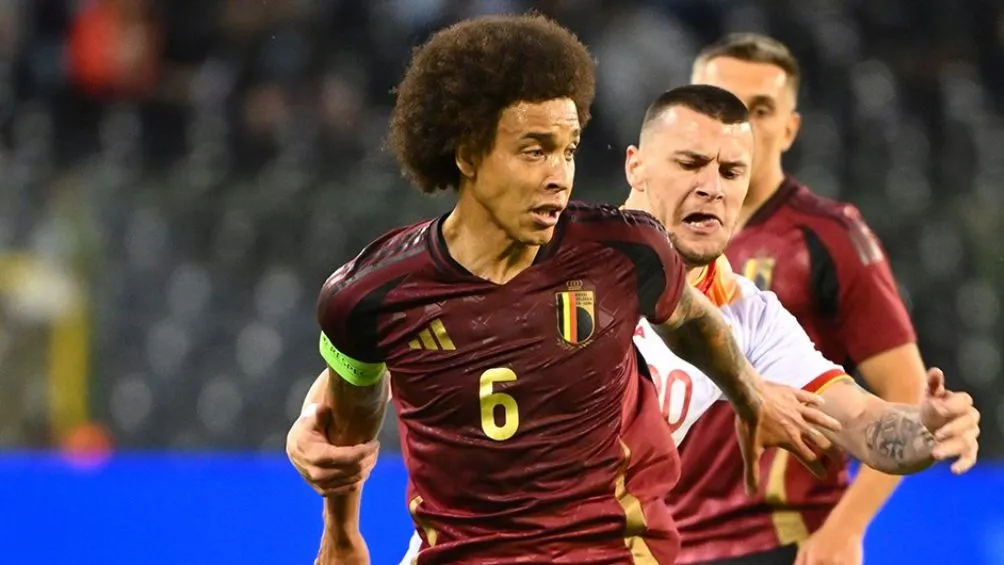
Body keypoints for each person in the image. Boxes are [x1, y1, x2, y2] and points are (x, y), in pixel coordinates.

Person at [291, 85, 981, 565]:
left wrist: (927, 430)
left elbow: (862, 424)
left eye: (732, 171)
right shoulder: (557, 248)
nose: (712, 186)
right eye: (691, 163)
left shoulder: (747, 318)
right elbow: (369, 365)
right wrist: (309, 426)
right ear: (635, 165)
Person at [306, 15, 834, 565]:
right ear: (467, 154)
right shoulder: (369, 294)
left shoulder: (624, 249)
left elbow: (692, 317)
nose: (559, 175)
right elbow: (349, 414)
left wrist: (749, 395)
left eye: (569, 150)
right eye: (535, 151)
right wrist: (340, 531)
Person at [675, 33, 946, 564]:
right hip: (664, 540)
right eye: (722, 104)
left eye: (759, 109)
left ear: (790, 128)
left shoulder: (827, 237)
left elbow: (905, 391)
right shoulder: (653, 242)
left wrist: (844, 529)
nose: (740, 125)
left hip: (779, 538)